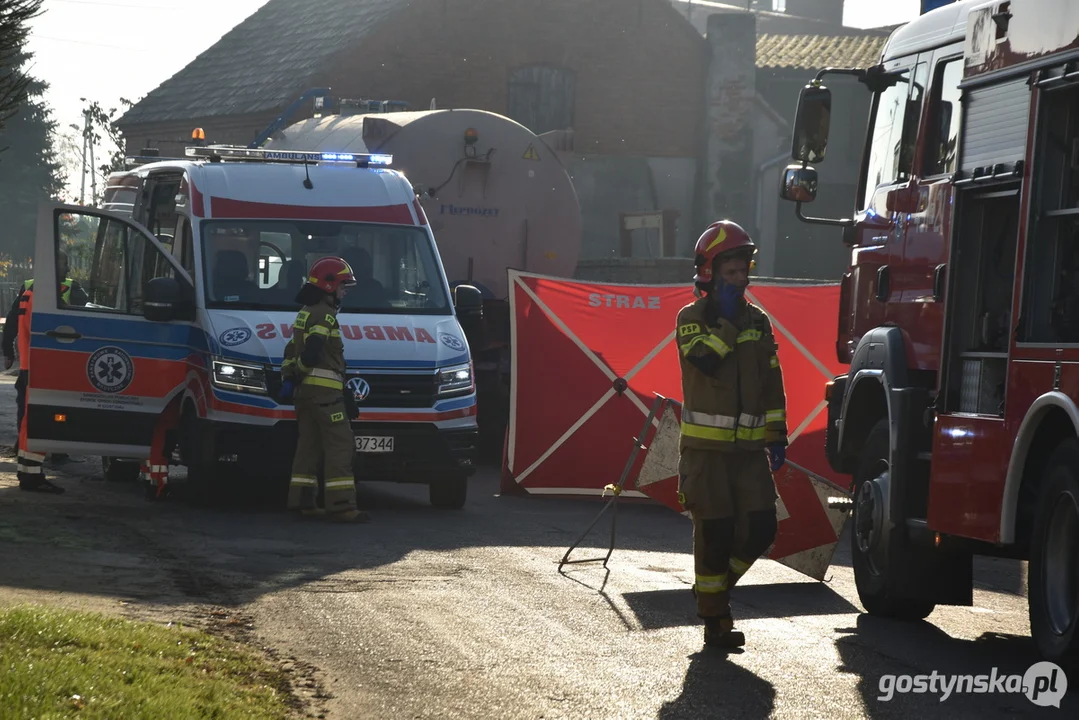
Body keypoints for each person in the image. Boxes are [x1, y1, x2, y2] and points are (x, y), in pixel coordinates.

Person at [675, 220, 788, 649]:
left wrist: (777, 434)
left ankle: (714, 590)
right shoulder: (692, 317)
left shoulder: (758, 321)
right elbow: (703, 360)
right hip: (707, 453)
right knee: (716, 534)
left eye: (744, 272)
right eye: (732, 273)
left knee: (762, 529)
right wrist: (724, 321)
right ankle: (716, 618)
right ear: (710, 273)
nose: (741, 280)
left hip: (749, 452)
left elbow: (772, 381)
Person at [278, 256, 370, 523]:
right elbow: (312, 352)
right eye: (343, 286)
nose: (344, 292)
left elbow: (291, 352)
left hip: (305, 396)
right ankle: (342, 506)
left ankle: (303, 501)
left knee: (309, 446)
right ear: (329, 286)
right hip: (324, 396)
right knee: (340, 446)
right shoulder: (324, 314)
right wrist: (302, 372)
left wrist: (290, 378)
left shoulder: (305, 312)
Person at [1, 252, 86, 493]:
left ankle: (30, 470)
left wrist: (7, 349)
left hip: (33, 364)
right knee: (41, 417)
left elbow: (12, 323)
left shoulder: (30, 291)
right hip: (47, 365)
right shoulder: (55, 294)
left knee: (29, 418)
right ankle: (32, 472)